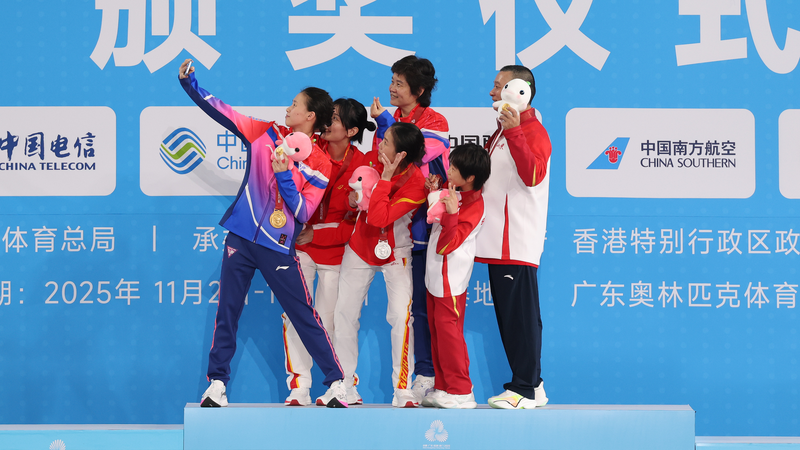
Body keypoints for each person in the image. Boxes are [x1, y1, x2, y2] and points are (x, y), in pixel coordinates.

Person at [177, 59, 348, 408]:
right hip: (240, 237)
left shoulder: (321, 163)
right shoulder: (265, 132)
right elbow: (223, 112)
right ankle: (217, 385)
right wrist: (190, 84)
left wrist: (285, 174)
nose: (289, 108)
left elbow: (302, 212)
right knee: (227, 311)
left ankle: (335, 383)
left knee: (303, 315)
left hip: (277, 246)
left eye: (296, 105)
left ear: (311, 116)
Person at [317, 122, 427, 407]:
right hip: (360, 248)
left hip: (396, 254)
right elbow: (353, 200)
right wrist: (354, 202)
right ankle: (345, 384)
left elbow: (381, 218)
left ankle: (402, 389)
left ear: (401, 154)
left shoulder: (417, 184)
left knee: (401, 319)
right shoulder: (369, 161)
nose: (379, 145)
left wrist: (386, 178)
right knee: (344, 314)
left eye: (386, 141)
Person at [282, 98, 375, 406]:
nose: (326, 122)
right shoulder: (306, 149)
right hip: (301, 247)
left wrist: (315, 234)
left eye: (333, 119)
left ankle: (344, 384)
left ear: (350, 130)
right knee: (295, 315)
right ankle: (300, 385)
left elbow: (355, 224)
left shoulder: (363, 165)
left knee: (335, 320)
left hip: (339, 252)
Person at [370, 55, 450, 405]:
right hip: (388, 227)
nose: (392, 87)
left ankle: (426, 375)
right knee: (401, 311)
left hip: (423, 228)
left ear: (419, 90)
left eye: (400, 83)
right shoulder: (387, 122)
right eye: (392, 80)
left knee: (422, 308)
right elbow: (380, 164)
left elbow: (417, 151)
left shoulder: (435, 121)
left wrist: (385, 123)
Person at [476, 65, 552, 409]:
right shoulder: (502, 132)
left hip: (515, 241)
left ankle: (524, 388)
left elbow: (534, 174)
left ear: (518, 90)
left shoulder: (532, 130)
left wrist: (516, 132)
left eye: (498, 87)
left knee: (520, 317)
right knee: (511, 317)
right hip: (497, 242)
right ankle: (532, 386)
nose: (492, 93)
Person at [421, 143, 490, 409]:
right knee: (437, 333)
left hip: (451, 282)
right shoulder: (457, 193)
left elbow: (447, 245)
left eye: (453, 168)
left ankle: (461, 390)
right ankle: (444, 387)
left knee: (450, 335)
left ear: (470, 177)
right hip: (434, 277)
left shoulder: (474, 207)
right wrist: (432, 192)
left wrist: (450, 215)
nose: (447, 171)